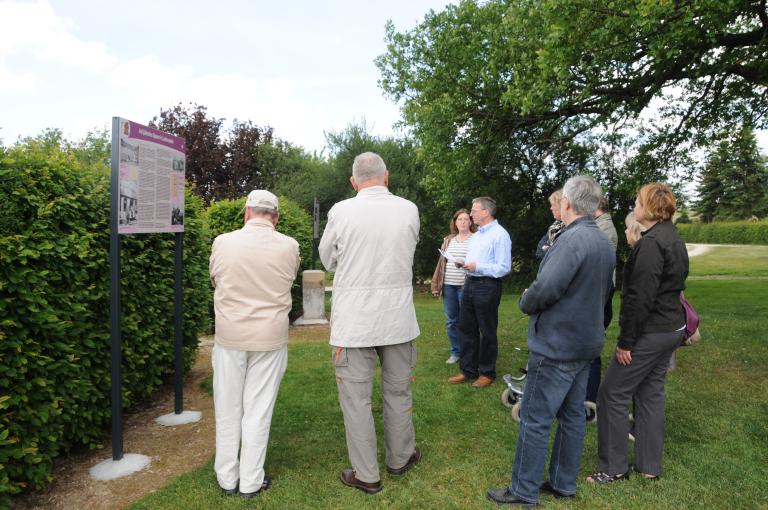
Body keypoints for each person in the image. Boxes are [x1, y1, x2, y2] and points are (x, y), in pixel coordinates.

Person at [486, 175, 615, 506]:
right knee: (572, 416)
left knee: (535, 416)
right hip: (585, 343)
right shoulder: (602, 240)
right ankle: (562, 483)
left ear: (568, 204)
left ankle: (524, 490)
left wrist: (525, 299)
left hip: (558, 345)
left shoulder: (571, 241)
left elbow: (545, 289)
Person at [319, 152, 422, 495]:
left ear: (353, 181)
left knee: (356, 399)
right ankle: (400, 456)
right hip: (397, 318)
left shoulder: (340, 211)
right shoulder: (408, 209)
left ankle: (367, 473)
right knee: (398, 390)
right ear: (386, 176)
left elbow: (327, 258)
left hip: (355, 320)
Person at [588, 183, 689, 484]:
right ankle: (648, 467)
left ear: (650, 207)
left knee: (612, 394)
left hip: (653, 331)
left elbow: (639, 299)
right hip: (671, 328)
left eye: (637, 202)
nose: (633, 206)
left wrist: (626, 342)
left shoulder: (652, 244)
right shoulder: (672, 237)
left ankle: (614, 468)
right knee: (650, 394)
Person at [209, 190, 300, 498]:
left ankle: (227, 477)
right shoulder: (289, 246)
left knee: (228, 408)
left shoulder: (223, 242)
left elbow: (215, 278)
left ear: (247, 213)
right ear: (275, 217)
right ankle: (250, 480)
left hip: (230, 335)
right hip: (269, 336)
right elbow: (287, 279)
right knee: (258, 411)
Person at [447, 197, 512, 388]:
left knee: (487, 330)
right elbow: (473, 261)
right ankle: (468, 370)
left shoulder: (500, 235)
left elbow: (503, 267)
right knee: (466, 328)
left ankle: (487, 372)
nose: (470, 213)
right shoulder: (477, 236)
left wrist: (477, 266)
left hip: (487, 286)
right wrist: (463, 262)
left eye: (474, 210)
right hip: (470, 284)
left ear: (486, 212)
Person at [585, 196, 619, 412]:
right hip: (598, 291)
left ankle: (590, 399)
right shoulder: (600, 225)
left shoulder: (605, 228)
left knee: (593, 343)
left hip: (600, 292)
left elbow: (597, 262)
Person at [431, 209, 476, 364]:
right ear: (455, 223)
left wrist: (464, 262)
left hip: (467, 286)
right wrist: (436, 284)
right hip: (449, 285)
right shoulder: (448, 240)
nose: (463, 222)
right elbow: (441, 264)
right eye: (459, 219)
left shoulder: (476, 239)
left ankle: (469, 352)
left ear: (471, 222)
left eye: (466, 219)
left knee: (467, 321)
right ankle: (456, 352)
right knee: (451, 321)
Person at [535, 189, 565, 261]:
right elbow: (539, 252)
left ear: (562, 206)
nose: (551, 208)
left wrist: (546, 249)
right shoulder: (554, 226)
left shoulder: (570, 227)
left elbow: (558, 257)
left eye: (553, 205)